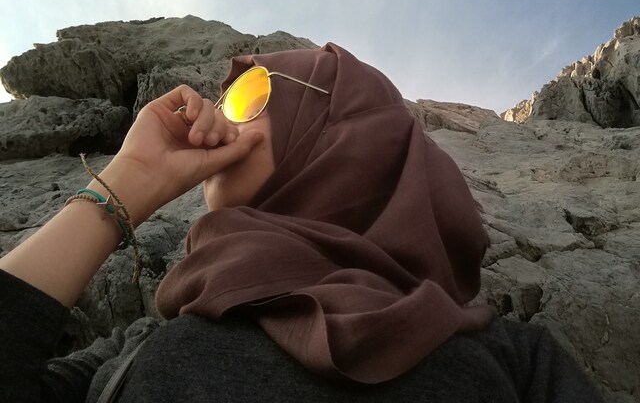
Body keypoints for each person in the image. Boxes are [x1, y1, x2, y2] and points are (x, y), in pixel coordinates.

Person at [0, 43, 604, 402]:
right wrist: (125, 184)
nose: (215, 116)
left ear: (343, 139)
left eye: (248, 95)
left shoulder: (516, 357)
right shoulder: (148, 335)